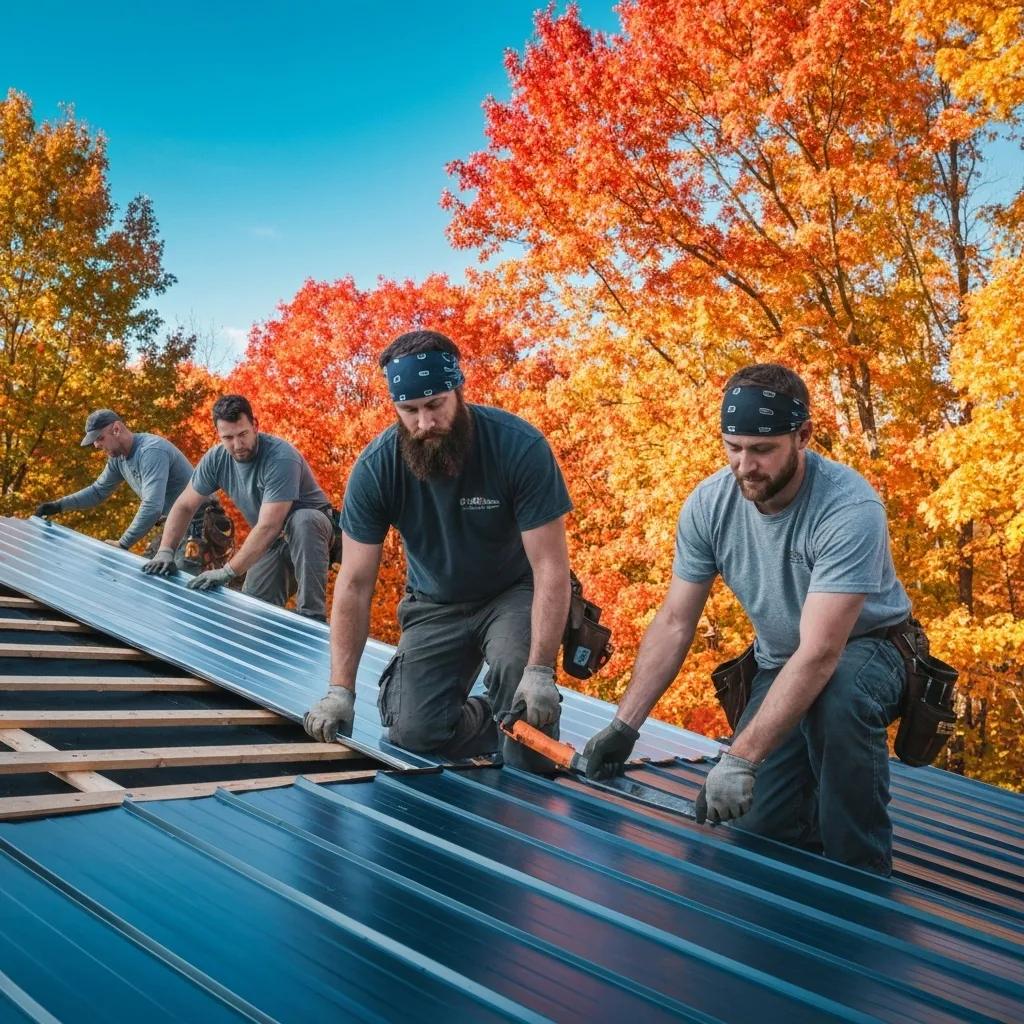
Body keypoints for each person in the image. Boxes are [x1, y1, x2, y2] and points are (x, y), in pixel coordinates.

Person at [582, 364, 913, 876]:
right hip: (783, 661)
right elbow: (674, 621)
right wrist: (625, 726)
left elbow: (823, 653)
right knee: (753, 826)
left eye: (762, 450)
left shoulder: (848, 508)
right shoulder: (710, 505)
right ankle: (807, 836)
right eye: (733, 447)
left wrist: (740, 759)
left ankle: (861, 872)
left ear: (802, 436)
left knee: (840, 697)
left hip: (871, 650)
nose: (745, 465)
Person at [303, 330, 572, 771]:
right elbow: (352, 585)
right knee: (413, 733)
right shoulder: (377, 468)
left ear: (458, 391)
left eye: (435, 406)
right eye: (409, 411)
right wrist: (340, 693)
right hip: (433, 604)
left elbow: (550, 566)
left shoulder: (517, 447)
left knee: (517, 681)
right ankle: (494, 717)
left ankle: (527, 745)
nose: (424, 424)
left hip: (511, 592)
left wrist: (540, 670)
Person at [141, 395, 334, 620]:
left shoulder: (281, 457)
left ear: (255, 425)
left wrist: (227, 572)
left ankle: (312, 616)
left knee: (303, 520)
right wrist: (166, 551)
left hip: (310, 535)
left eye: (243, 434)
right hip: (270, 543)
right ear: (218, 435)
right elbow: (184, 505)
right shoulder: (216, 459)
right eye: (228, 437)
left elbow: (270, 525)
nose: (237, 445)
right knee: (251, 613)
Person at [34, 409, 199, 566]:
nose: (96, 446)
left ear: (116, 429)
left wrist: (123, 543)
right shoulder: (118, 459)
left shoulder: (151, 451)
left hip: (199, 525)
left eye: (99, 438)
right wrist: (59, 505)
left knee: (184, 583)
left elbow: (152, 506)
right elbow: (97, 491)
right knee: (151, 572)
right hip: (175, 524)